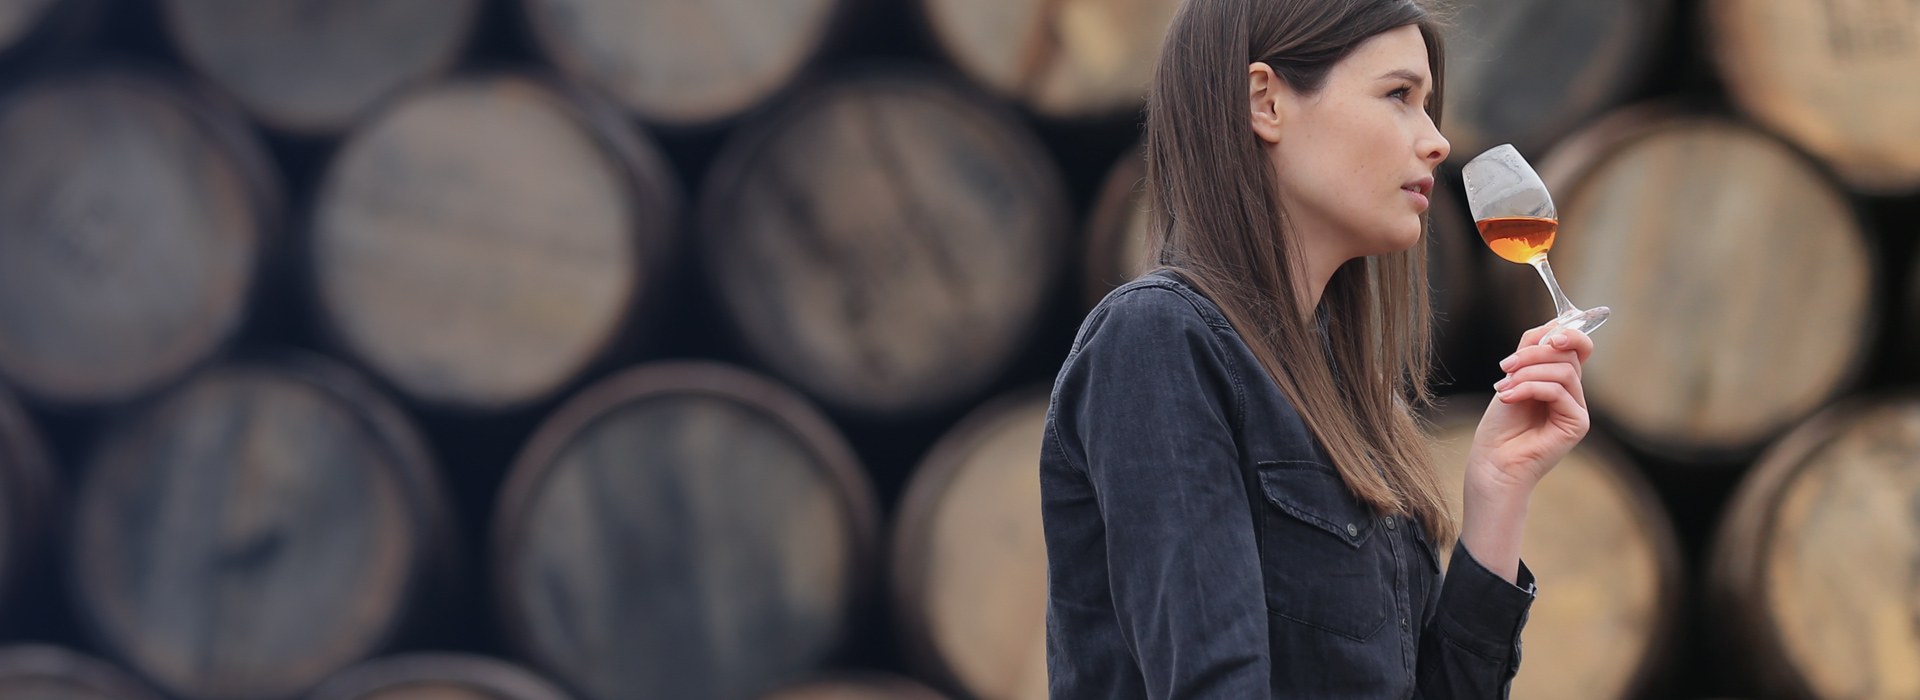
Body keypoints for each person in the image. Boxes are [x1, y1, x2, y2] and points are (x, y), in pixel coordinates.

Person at [1040, 0, 1594, 697]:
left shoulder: (1355, 400)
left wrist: (1499, 491)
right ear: (1265, 102)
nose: (1436, 140)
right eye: (1399, 95)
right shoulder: (1160, 342)